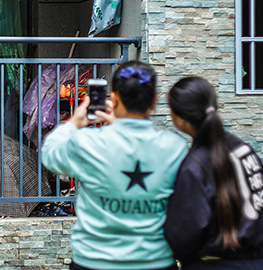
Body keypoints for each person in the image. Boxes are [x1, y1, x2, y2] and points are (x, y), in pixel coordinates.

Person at [41, 60, 188, 270]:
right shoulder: (175, 147)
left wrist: (75, 122)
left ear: (114, 99)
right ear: (154, 101)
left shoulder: (89, 143)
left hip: (95, 261)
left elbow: (50, 155)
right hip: (154, 261)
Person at [164, 77, 263, 269]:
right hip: (256, 262)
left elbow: (184, 234)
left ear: (178, 117)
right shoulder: (244, 150)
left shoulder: (195, 165)